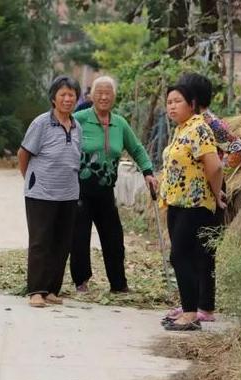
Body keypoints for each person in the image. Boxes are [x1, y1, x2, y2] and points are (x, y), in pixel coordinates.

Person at [70, 75, 158, 293]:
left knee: (114, 238)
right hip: (79, 190)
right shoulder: (79, 119)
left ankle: (119, 284)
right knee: (79, 237)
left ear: (114, 97)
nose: (103, 96)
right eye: (99, 92)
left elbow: (136, 148)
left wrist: (148, 172)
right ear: (91, 95)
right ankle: (81, 281)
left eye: (108, 92)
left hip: (106, 191)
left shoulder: (120, 123)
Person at [159, 83, 226, 331]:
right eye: (169, 102)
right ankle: (189, 308)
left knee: (179, 255)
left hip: (195, 203)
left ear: (192, 104)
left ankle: (190, 313)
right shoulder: (181, 129)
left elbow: (215, 166)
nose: (172, 106)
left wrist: (217, 193)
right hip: (177, 203)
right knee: (183, 256)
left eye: (177, 101)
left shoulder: (199, 128)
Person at [17, 75, 82, 308]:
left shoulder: (77, 126)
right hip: (41, 194)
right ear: (53, 98)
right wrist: (32, 180)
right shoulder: (41, 123)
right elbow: (23, 154)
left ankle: (52, 289)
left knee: (62, 243)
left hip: (69, 194)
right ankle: (36, 290)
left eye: (71, 95)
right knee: (40, 242)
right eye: (63, 94)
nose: (67, 99)